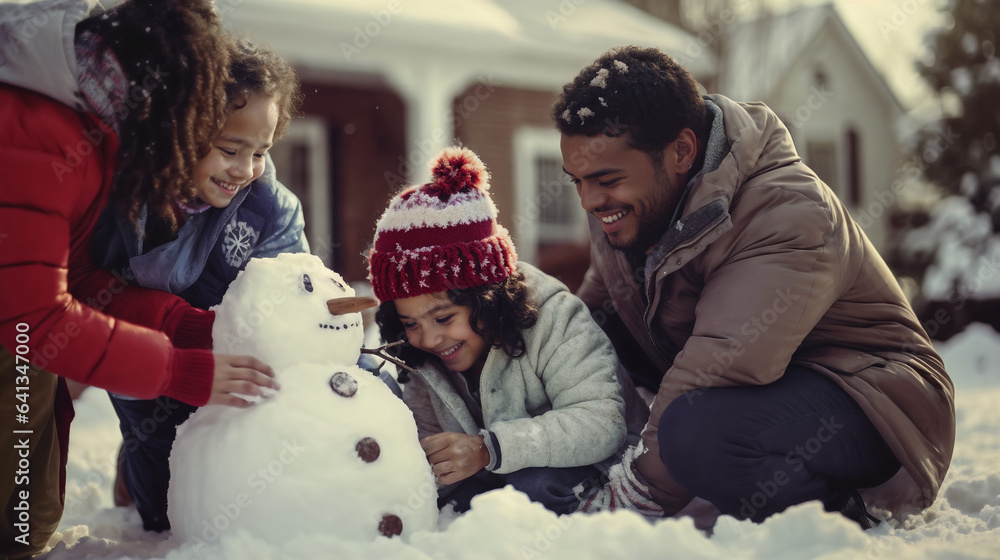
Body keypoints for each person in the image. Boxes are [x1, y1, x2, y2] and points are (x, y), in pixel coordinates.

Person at [552, 46, 955, 527]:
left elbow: (721, 366)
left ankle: (835, 517)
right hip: (763, 388)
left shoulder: (785, 211)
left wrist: (632, 496)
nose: (590, 202)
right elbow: (588, 326)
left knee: (696, 434)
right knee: (580, 338)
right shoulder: (630, 211)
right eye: (576, 181)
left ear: (682, 151)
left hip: (873, 402)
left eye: (605, 179)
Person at [0, 1, 278, 556]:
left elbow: (71, 279)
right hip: (18, 337)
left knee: (26, 516)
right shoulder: (40, 128)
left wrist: (188, 327)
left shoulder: (94, 123)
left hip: (23, 334)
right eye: (197, 111)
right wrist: (175, 369)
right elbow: (28, 316)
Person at [90, 39, 307, 532]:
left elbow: (294, 300)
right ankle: (132, 468)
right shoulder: (123, 199)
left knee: (244, 471)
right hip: (147, 359)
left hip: (232, 357)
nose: (246, 169)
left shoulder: (269, 210)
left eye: (260, 152)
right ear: (182, 129)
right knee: (167, 513)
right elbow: (86, 293)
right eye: (230, 150)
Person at [368, 147, 641, 515]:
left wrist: (489, 449)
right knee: (461, 501)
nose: (429, 339)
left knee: (533, 487)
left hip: (606, 476)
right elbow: (430, 442)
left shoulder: (556, 318)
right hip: (502, 479)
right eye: (410, 324)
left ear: (488, 299)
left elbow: (602, 424)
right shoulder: (422, 355)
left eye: (444, 318)